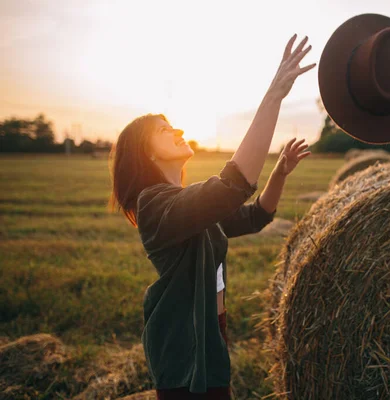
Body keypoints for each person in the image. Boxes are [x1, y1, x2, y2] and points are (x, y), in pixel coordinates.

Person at [108, 34, 314, 399]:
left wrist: (279, 172)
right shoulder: (154, 206)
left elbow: (255, 217)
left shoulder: (189, 207)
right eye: (164, 130)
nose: (179, 131)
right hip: (182, 348)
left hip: (210, 333)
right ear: (147, 154)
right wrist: (273, 96)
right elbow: (232, 186)